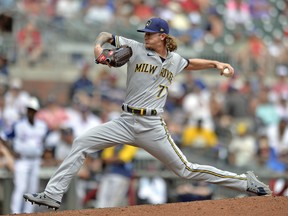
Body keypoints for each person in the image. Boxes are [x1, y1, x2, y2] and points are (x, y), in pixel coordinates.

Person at [23, 17, 271, 210]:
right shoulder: (134, 48)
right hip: (125, 120)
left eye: (150, 34)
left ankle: (244, 182)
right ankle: (53, 195)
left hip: (152, 125)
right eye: (145, 33)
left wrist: (215, 63)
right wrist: (98, 46)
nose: (145, 36)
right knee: (81, 142)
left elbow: (189, 63)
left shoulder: (174, 60)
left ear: (162, 37)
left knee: (186, 169)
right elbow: (107, 35)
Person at [0, 97, 48, 213]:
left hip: (35, 160)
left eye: (33, 110)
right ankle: (15, 212)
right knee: (20, 188)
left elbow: (45, 142)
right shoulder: (19, 125)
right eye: (29, 110)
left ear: (36, 112)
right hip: (22, 160)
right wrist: (11, 152)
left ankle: (29, 213)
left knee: (33, 189)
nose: (31, 112)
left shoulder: (42, 126)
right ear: (27, 111)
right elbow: (3, 136)